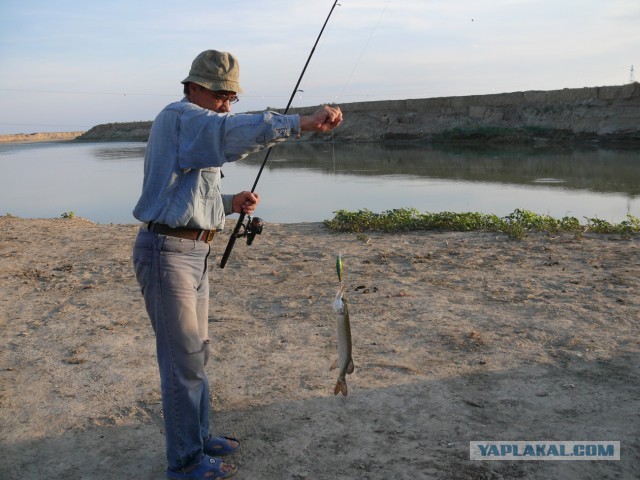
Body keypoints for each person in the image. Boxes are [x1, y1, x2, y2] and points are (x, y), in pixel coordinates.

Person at [131, 49, 342, 479]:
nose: (227, 104)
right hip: (168, 253)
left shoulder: (194, 129)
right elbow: (230, 133)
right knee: (182, 361)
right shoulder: (181, 116)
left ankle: (200, 435)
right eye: (221, 94)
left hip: (193, 251)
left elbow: (184, 192)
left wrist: (228, 204)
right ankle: (185, 462)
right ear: (194, 87)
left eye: (232, 97)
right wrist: (299, 122)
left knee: (197, 354)